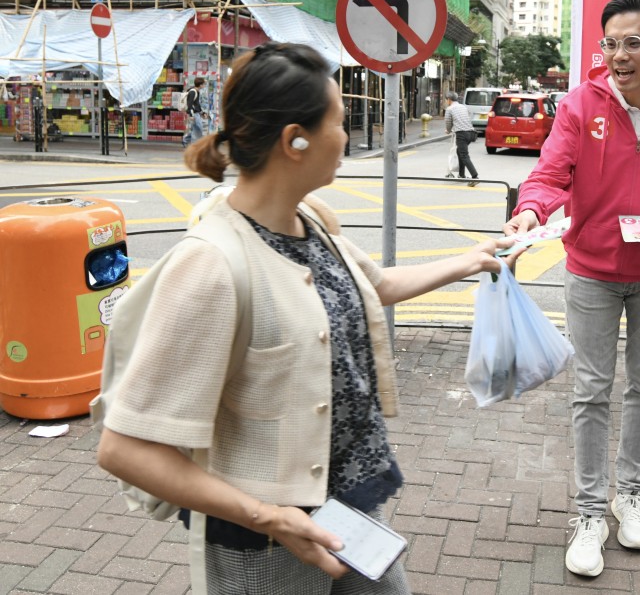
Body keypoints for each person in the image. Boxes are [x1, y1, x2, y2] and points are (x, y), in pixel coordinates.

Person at [97, 43, 514, 594]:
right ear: (296, 139)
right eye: (339, 121)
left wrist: (475, 258)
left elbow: (377, 287)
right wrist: (267, 516)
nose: (346, 136)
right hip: (266, 543)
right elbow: (124, 448)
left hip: (350, 507)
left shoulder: (311, 220)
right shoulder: (212, 263)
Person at [503, 0, 640, 578]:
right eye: (611, 44)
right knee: (591, 389)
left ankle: (632, 495)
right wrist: (531, 209)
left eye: (634, 43)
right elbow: (552, 170)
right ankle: (590, 512)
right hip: (593, 270)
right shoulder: (583, 102)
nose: (620, 56)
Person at [444, 91, 479, 186]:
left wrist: (448, 130)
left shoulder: (449, 109)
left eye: (446, 99)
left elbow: (448, 122)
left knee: (464, 155)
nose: (446, 101)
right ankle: (461, 174)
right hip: (471, 133)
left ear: (449, 100)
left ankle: (475, 177)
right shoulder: (463, 107)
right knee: (460, 152)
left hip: (461, 134)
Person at [183, 76, 207, 147]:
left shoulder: (197, 91)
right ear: (200, 85)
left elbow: (197, 104)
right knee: (199, 128)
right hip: (193, 114)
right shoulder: (193, 92)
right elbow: (189, 105)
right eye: (204, 84)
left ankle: (186, 140)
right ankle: (194, 145)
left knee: (196, 129)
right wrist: (191, 115)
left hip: (196, 114)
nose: (204, 85)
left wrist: (202, 113)